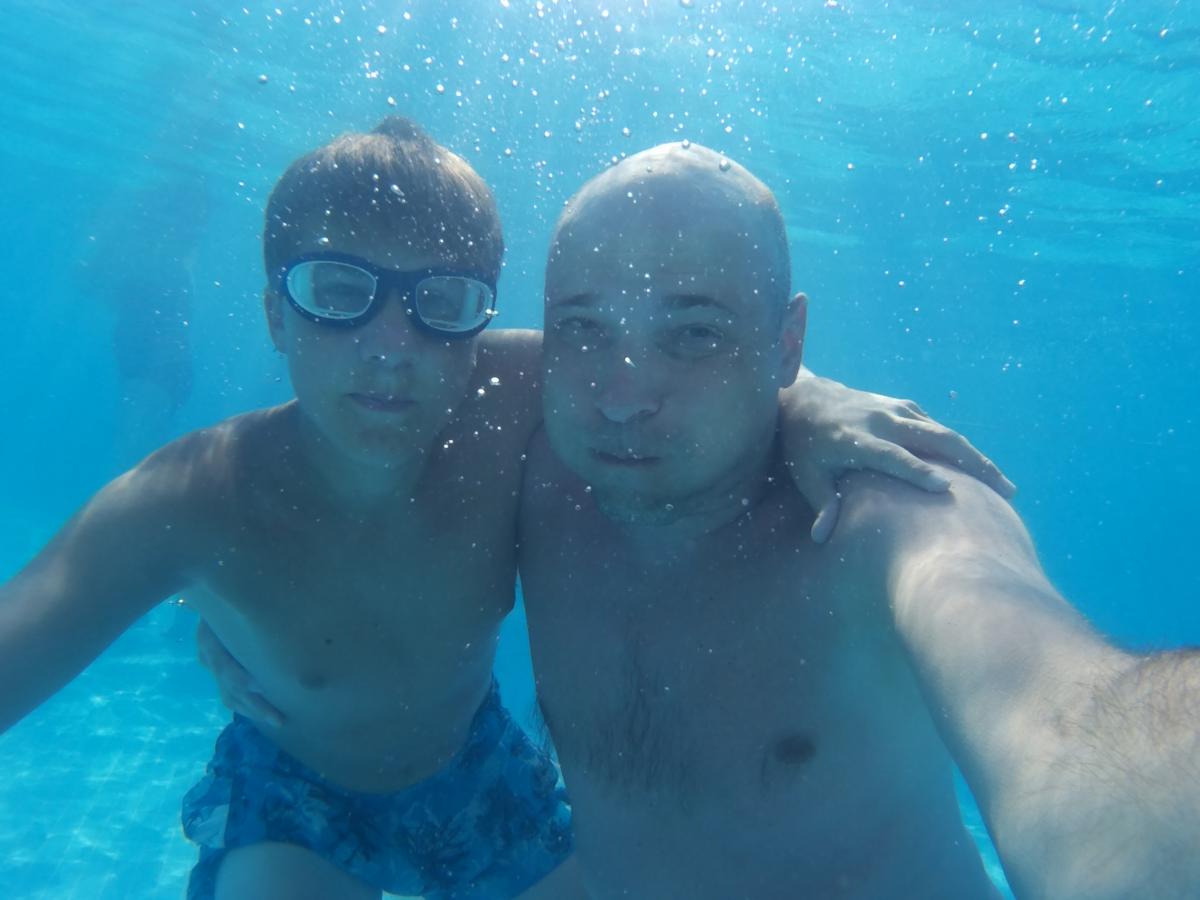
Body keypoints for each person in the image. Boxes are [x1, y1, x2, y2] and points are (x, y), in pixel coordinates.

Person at [0, 118, 1005, 900]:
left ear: (480, 318)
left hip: (480, 774)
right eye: (338, 290)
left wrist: (813, 404)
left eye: (440, 303)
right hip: (294, 794)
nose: (392, 346)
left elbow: (705, 364)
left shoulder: (516, 394)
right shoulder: (188, 498)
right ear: (274, 313)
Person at [512, 142, 1200, 899]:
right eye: (583, 328)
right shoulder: (525, 462)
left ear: (787, 344)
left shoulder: (890, 509)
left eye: (695, 333)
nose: (622, 399)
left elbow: (1070, 716)